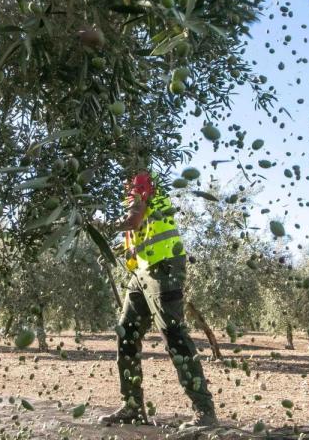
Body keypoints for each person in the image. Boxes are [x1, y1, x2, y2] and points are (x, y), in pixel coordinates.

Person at [97, 170, 216, 428]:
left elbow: (134, 220)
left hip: (163, 267)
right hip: (141, 271)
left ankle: (205, 412)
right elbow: (141, 227)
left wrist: (98, 226)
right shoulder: (135, 190)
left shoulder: (141, 179)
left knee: (174, 335)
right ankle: (132, 408)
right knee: (126, 333)